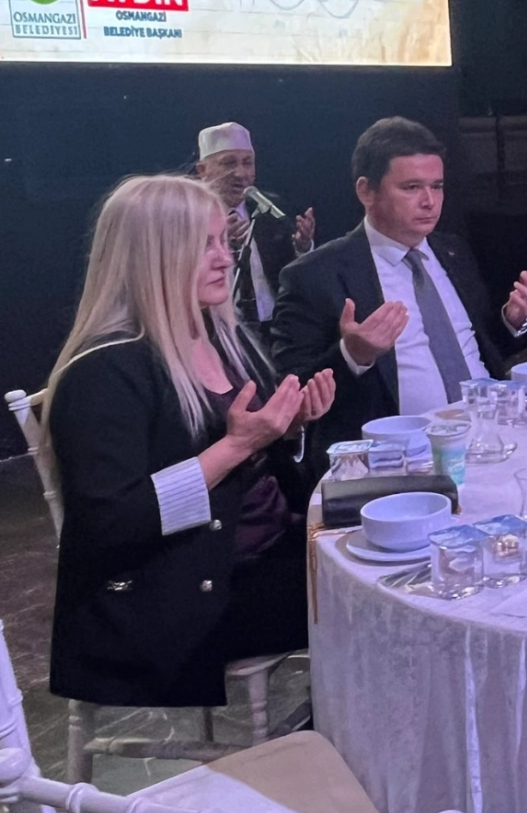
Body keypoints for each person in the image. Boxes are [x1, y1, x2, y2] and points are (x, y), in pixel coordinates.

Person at [43, 175, 336, 708]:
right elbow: (112, 523)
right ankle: (340, 739)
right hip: (186, 596)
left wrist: (289, 429)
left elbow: (262, 469)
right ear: (152, 257)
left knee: (395, 551)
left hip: (269, 552)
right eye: (203, 246)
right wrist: (235, 447)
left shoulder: (223, 337)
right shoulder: (104, 372)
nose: (225, 258)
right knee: (367, 595)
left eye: (223, 241)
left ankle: (344, 733)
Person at [270, 118, 527, 452]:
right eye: (412, 187)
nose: (429, 201)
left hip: (489, 436)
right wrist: (352, 355)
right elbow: (289, 395)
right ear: (366, 191)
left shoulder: (453, 251)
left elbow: (483, 349)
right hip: (397, 455)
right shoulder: (315, 276)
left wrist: (512, 321)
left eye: (437, 186)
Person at [194, 122, 315, 335]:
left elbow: (293, 274)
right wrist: (216, 244)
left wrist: (302, 247)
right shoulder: (188, 219)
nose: (240, 174)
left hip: (276, 326)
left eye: (248, 163)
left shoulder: (269, 208)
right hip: (216, 330)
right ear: (203, 170)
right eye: (229, 163)